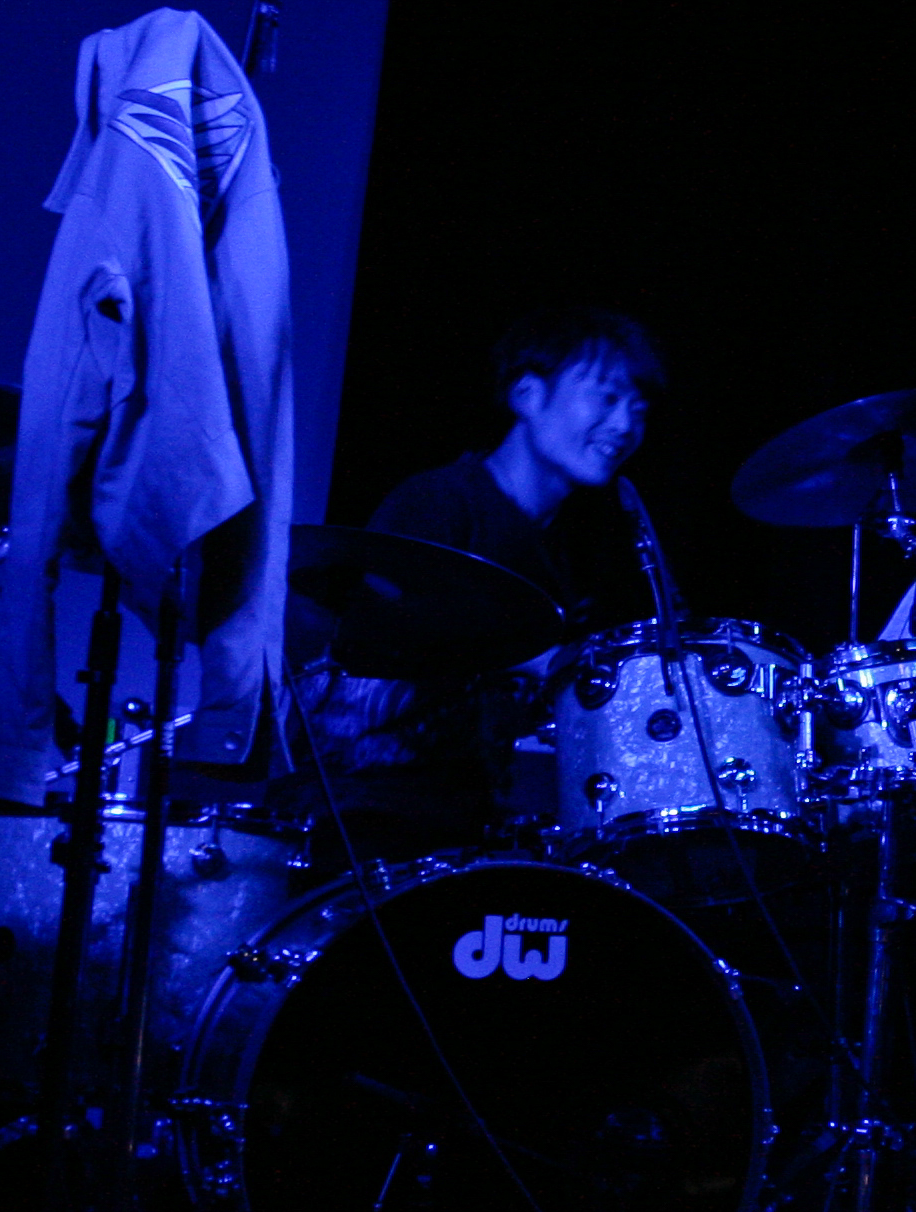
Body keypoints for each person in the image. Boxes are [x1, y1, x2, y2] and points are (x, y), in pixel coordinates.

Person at [281, 310, 662, 861]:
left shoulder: (568, 547)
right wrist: (534, 661)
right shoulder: (441, 502)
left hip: (465, 816)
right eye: (606, 398)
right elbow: (369, 644)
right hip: (364, 812)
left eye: (638, 410)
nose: (624, 425)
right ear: (527, 395)